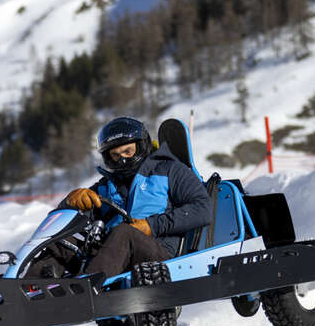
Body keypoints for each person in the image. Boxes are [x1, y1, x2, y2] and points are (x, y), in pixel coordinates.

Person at [33, 117, 213, 279]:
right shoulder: (105, 186)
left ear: (141, 146)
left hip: (159, 257)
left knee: (124, 232)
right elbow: (61, 222)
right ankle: (26, 292)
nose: (123, 160)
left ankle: (87, 290)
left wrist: (151, 226)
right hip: (108, 258)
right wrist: (69, 202)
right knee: (61, 240)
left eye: (128, 151)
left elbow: (203, 209)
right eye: (116, 155)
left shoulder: (170, 170)